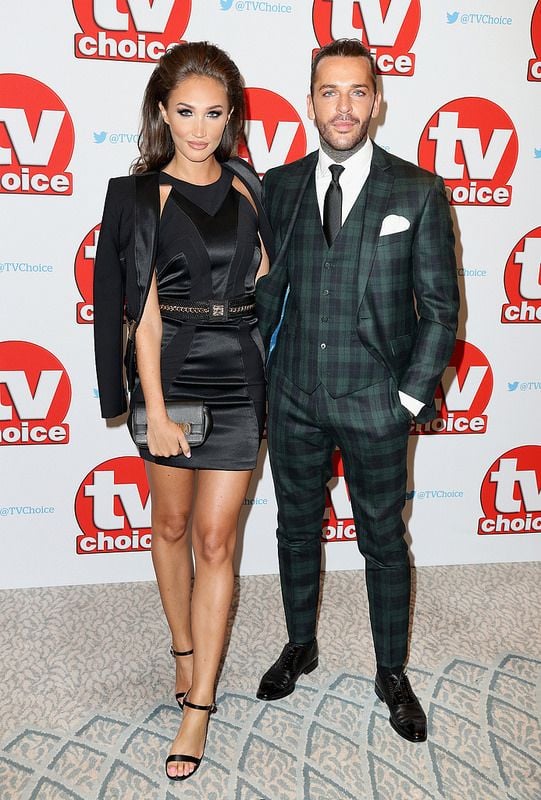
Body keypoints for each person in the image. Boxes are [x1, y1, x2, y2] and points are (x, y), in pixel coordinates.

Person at [255, 39, 459, 743]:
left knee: (381, 539)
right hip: (293, 399)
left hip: (376, 399)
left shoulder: (417, 190)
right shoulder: (276, 186)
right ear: (310, 101)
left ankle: (391, 671)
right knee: (292, 528)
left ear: (376, 100)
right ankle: (299, 644)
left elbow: (439, 310)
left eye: (356, 92)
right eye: (327, 92)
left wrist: (404, 400)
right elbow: (262, 291)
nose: (342, 106)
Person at [93, 42, 272, 781]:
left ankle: (198, 705)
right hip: (170, 378)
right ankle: (182, 646)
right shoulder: (138, 196)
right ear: (162, 113)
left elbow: (268, 269)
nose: (200, 128)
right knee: (168, 525)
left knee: (215, 540)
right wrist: (154, 411)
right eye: (185, 111)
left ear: (231, 117)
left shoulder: (249, 185)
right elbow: (142, 314)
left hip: (239, 376)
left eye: (214, 112)